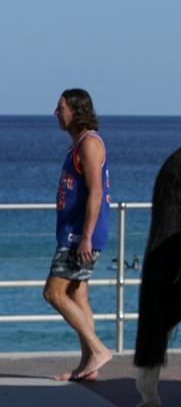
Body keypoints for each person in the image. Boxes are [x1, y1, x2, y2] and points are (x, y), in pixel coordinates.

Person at [45, 88, 112, 383]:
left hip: (79, 235)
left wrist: (85, 237)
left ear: (77, 110)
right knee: (77, 293)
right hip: (74, 232)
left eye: (61, 108)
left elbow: (96, 192)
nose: (56, 113)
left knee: (54, 292)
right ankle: (89, 365)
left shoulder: (90, 144)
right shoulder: (79, 145)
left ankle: (97, 350)